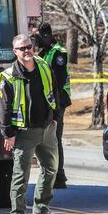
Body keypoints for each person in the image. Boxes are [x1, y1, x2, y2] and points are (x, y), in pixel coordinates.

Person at [0, 34, 62, 214]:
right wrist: (8, 133)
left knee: (51, 169)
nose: (27, 51)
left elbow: (54, 89)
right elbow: (3, 108)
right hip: (24, 133)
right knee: (21, 175)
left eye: (28, 46)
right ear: (15, 52)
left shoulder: (43, 66)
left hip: (47, 129)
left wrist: (55, 117)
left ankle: (41, 210)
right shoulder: (9, 77)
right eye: (22, 48)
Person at [32, 22, 72, 188]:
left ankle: (59, 176)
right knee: (46, 139)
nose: (37, 41)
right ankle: (50, 173)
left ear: (47, 35)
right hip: (46, 100)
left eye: (38, 37)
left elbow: (59, 80)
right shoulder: (43, 53)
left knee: (55, 138)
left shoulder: (59, 53)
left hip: (57, 100)